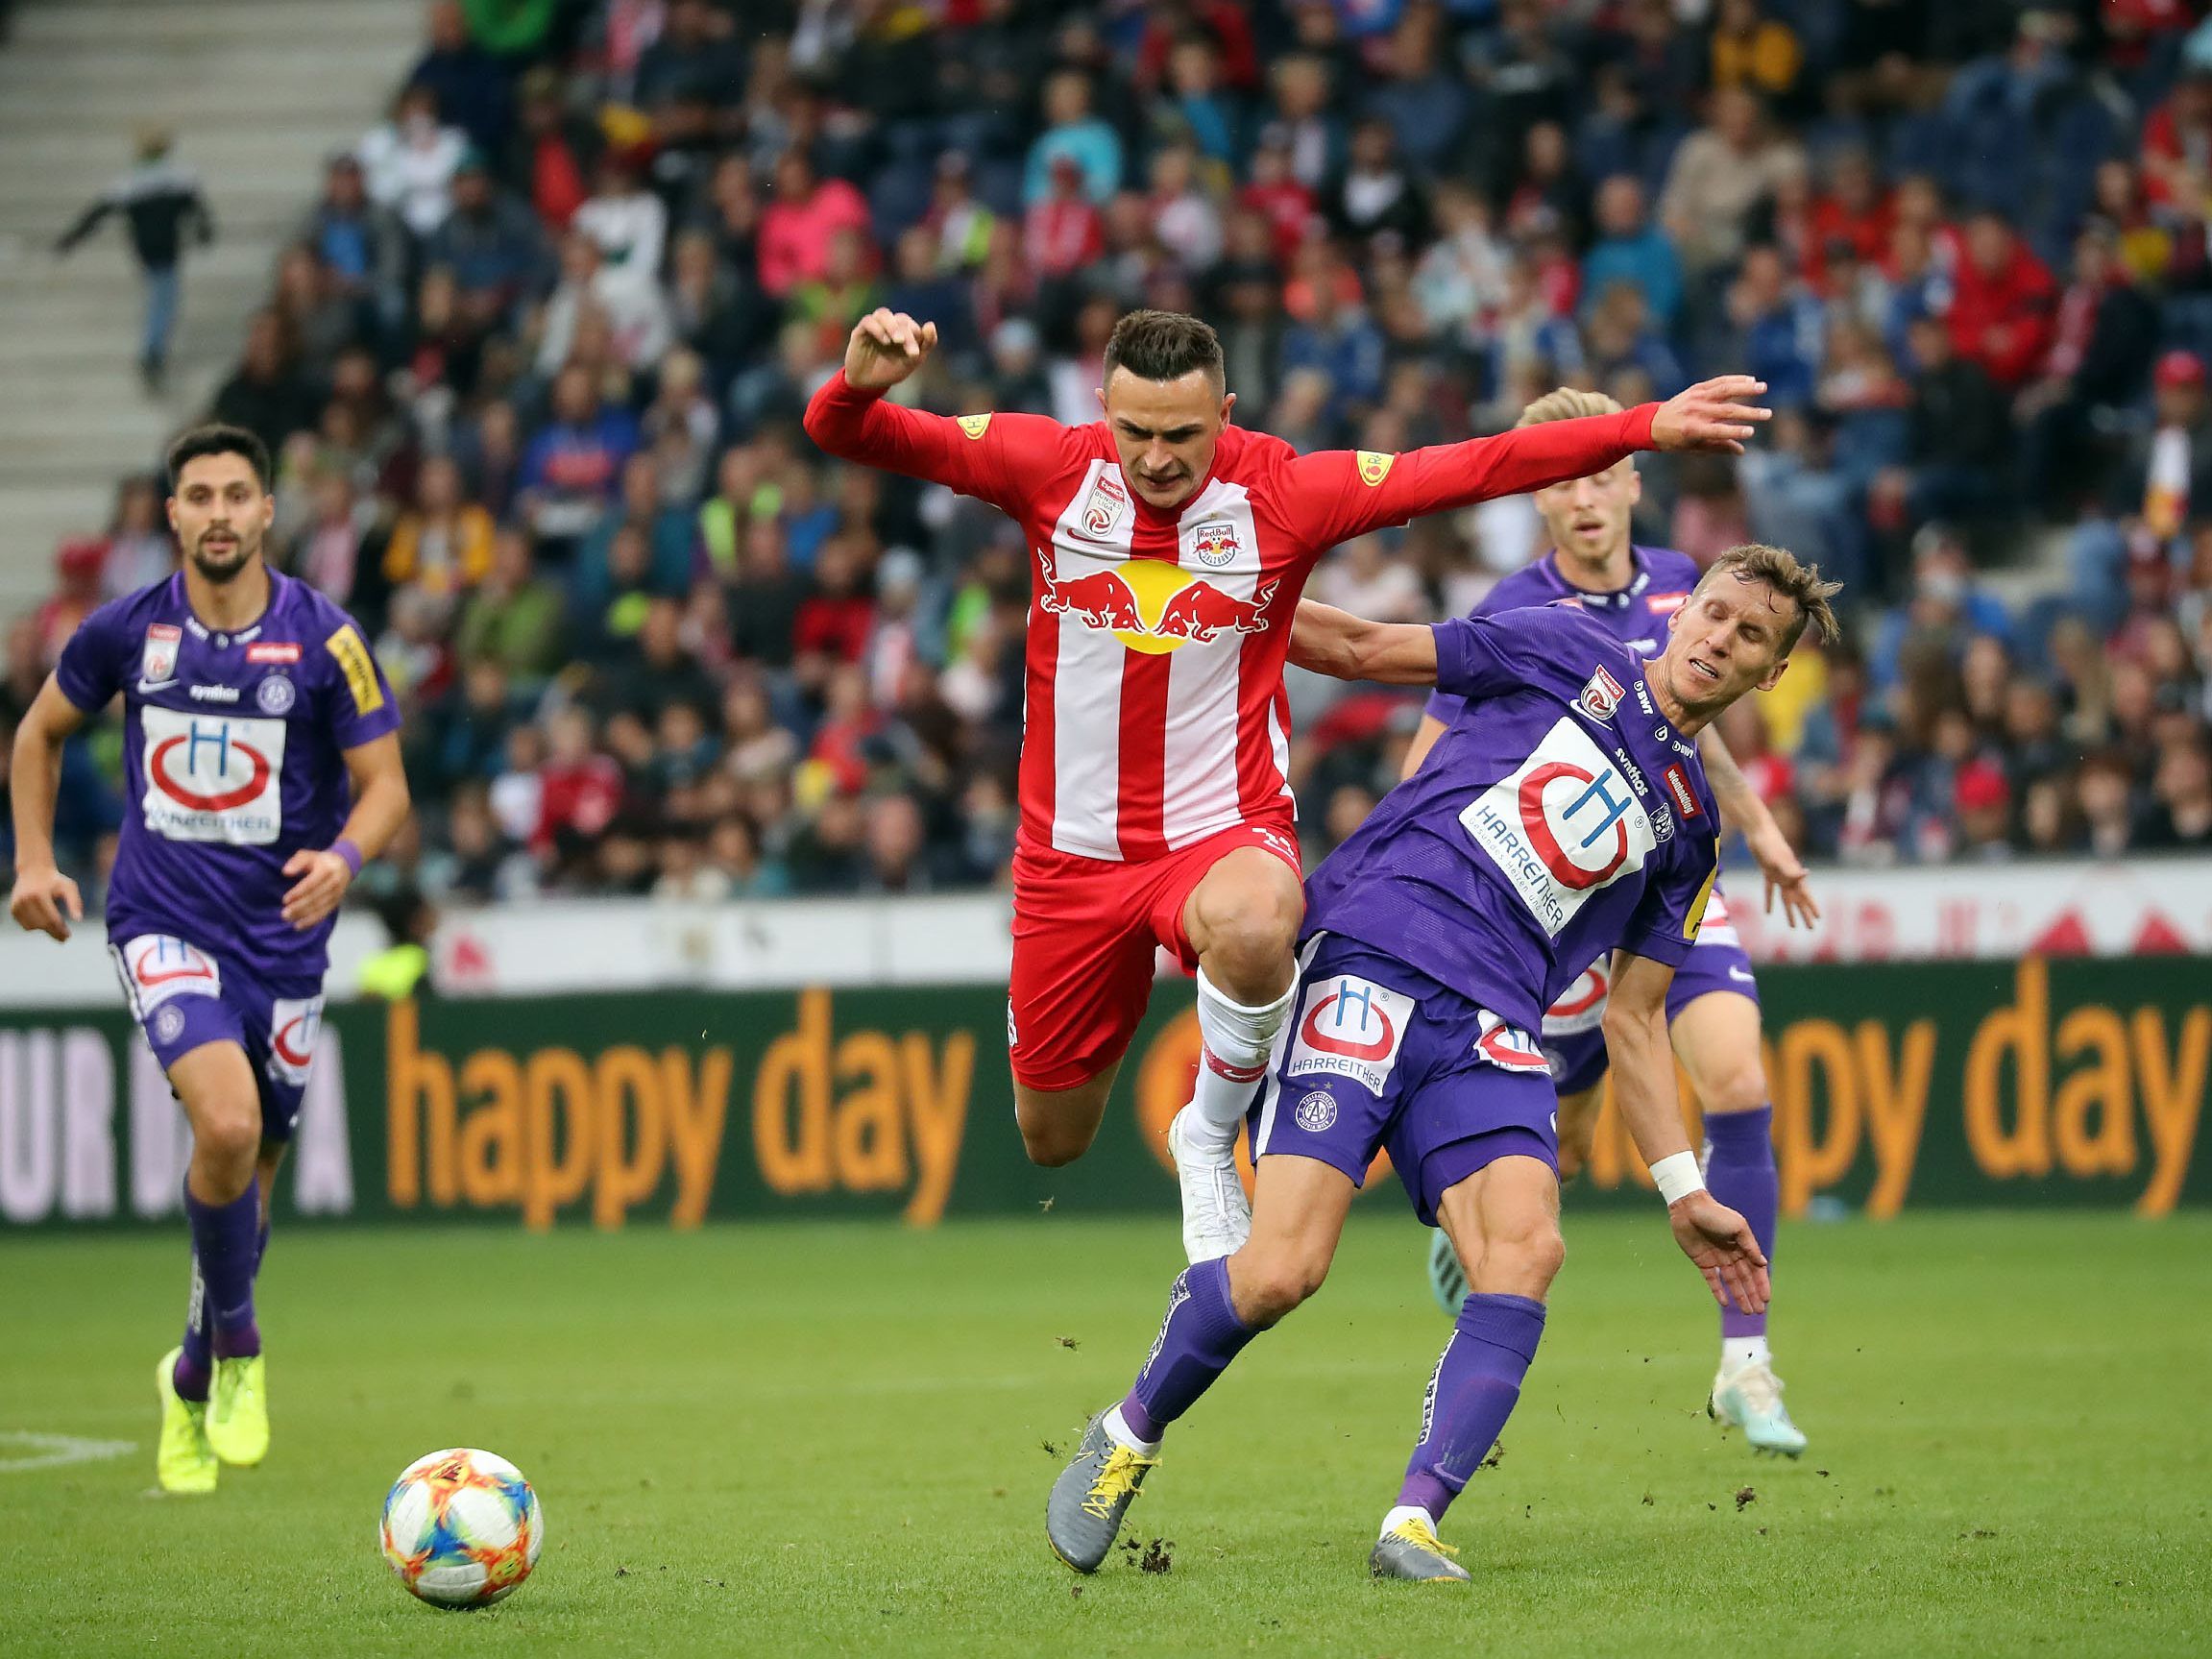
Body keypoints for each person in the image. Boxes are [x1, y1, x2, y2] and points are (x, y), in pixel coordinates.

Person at [803, 305, 1771, 1262]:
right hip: (1068, 858)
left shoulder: (1285, 491)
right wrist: (857, 382)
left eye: (1182, 434)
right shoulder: (1046, 465)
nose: (1155, 458)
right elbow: (838, 430)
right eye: (1134, 431)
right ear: (1101, 409)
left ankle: (1207, 1132)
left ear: (1225, 413)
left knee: (1265, 916)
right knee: (1052, 1135)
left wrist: (1642, 424)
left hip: (1218, 832)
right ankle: (1145, 1073)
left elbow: (1468, 467)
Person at [1044, 545, 1839, 1580]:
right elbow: (1369, 647)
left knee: (1525, 1249)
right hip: (1370, 952)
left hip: (1493, 1022)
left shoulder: (1690, 827)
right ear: (1682, 609)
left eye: (1748, 637)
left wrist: (1679, 1187)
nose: (1719, 639)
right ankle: (1126, 1432)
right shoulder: (1565, 644)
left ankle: (1412, 1518)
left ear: (1768, 673)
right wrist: (1205, 603)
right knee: (1283, 1269)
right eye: (1716, 613)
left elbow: (1636, 1020)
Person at [1400, 389, 1816, 1456]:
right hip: (1566, 901)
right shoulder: (1513, 605)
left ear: (1632, 480)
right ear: (1536, 497)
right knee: (1570, 1150)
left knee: (1735, 1078)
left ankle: (1744, 1360)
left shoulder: (1691, 587)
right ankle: (1469, 1242)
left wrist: (1758, 826)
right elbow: (1437, 738)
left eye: (1598, 474)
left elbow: (1700, 728)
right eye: (1559, 478)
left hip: (1673, 877)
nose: (1583, 497)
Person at [7, 425, 409, 1495]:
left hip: (284, 939)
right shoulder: (124, 630)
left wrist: (346, 855)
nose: (220, 512)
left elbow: (387, 784)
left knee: (250, 1173)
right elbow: (37, 733)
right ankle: (239, 1347)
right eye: (199, 495)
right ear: (172, 514)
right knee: (224, 1124)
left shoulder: (326, 640)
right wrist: (35, 860)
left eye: (239, 493)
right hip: (162, 918)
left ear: (268, 510)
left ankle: (187, 1372)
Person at [53, 126, 215, 392]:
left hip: (147, 248)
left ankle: (154, 349)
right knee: (164, 296)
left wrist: (71, 239)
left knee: (162, 293)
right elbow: (197, 208)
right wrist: (205, 232)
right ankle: (152, 350)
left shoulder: (132, 182)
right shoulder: (176, 177)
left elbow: (98, 212)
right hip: (163, 247)